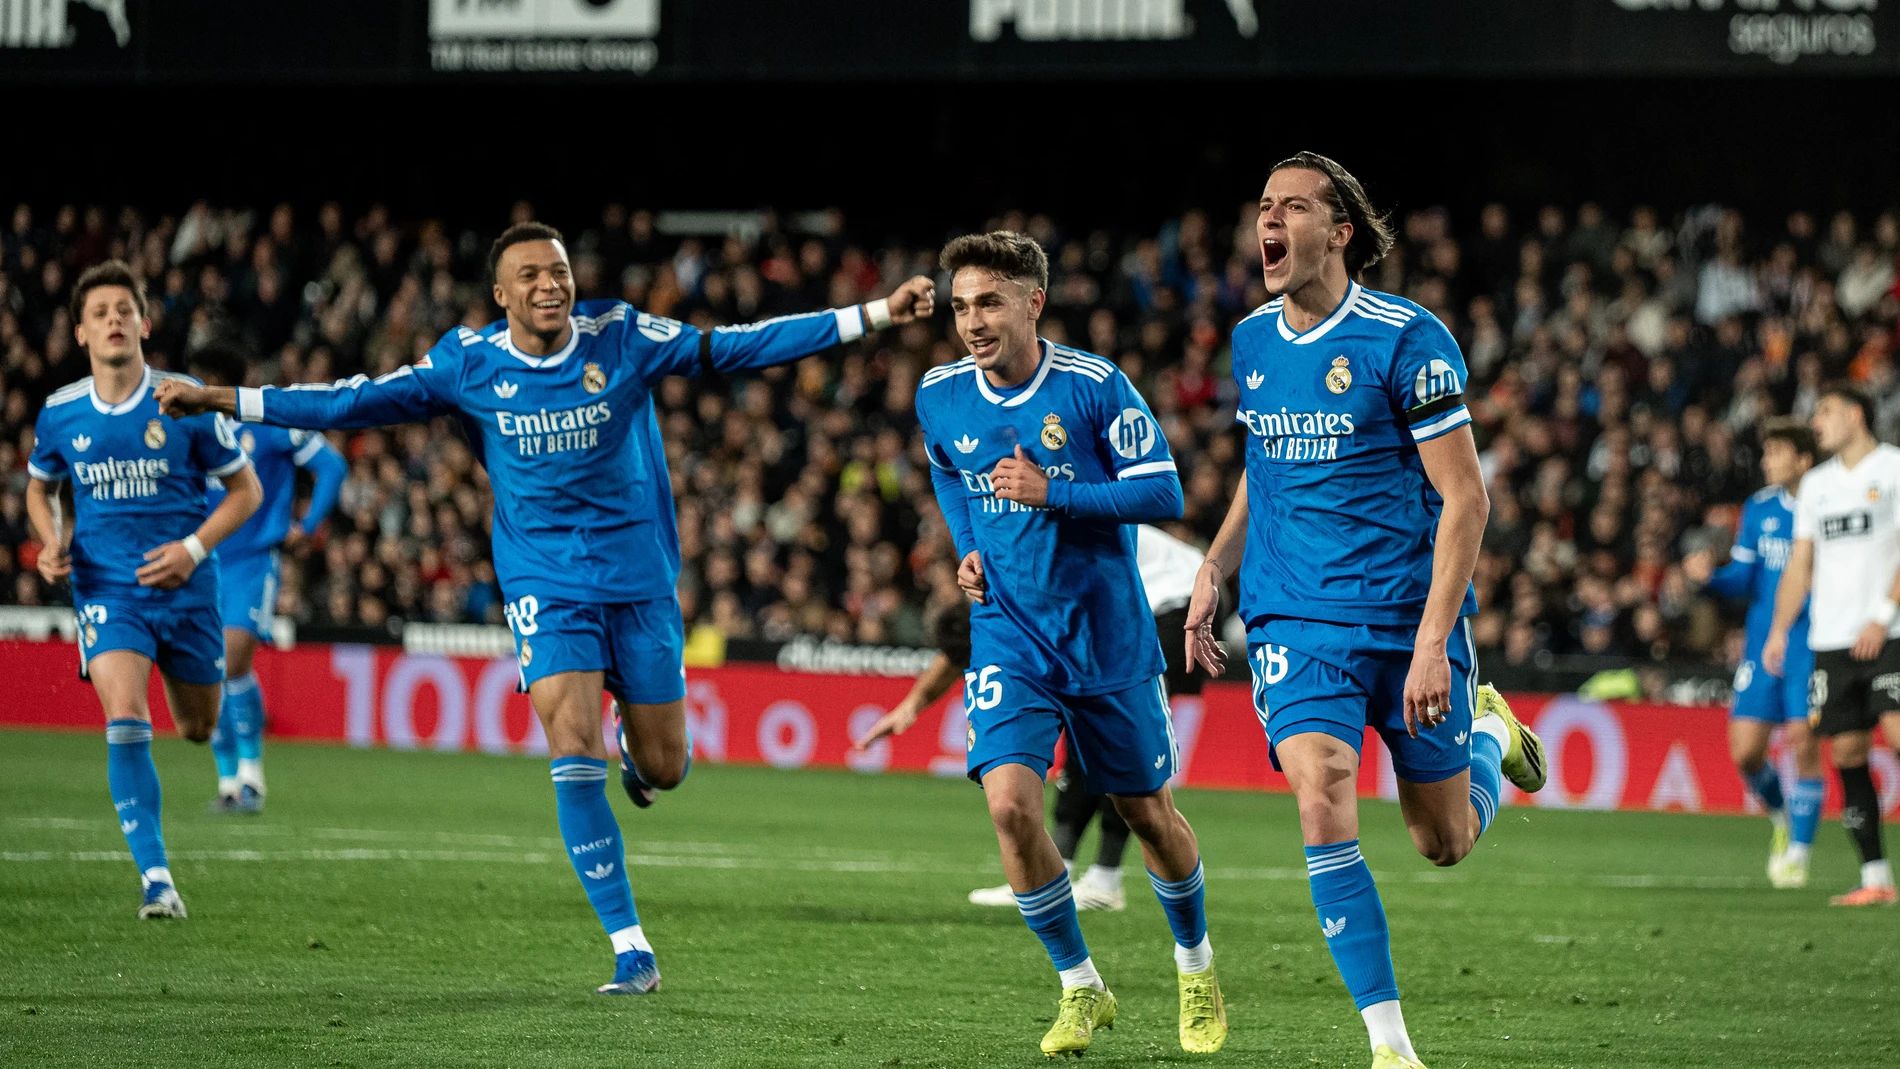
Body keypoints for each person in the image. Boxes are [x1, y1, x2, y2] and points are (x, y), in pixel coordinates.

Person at [158, 222, 934, 992]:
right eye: (530, 275)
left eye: (558, 271)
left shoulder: (621, 336)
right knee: (572, 742)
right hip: (545, 584)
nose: (550, 285)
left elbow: (736, 344)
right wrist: (226, 398)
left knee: (666, 766)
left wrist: (872, 314)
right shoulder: (468, 361)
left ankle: (643, 748)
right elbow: (352, 402)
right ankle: (631, 946)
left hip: (638, 578)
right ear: (501, 295)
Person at [1183, 153, 1545, 1069]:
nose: (1270, 220)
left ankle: (1490, 738)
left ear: (1339, 232)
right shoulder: (1253, 342)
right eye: (1263, 205)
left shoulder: (1406, 338)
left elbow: (1466, 501)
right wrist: (1216, 567)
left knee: (1444, 841)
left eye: (1293, 206)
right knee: (1324, 786)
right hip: (1295, 619)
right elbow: (1262, 470)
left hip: (1406, 619)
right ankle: (1391, 1047)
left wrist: (1434, 645)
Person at [899, 230, 1226, 1058]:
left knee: (1148, 814)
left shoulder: (1092, 386)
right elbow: (946, 466)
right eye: (962, 303)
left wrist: (1055, 491)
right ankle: (1082, 987)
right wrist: (969, 541)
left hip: (1107, 634)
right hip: (1009, 630)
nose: (972, 320)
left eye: (990, 302)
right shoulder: (940, 392)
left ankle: (1196, 965)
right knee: (1011, 806)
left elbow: (1164, 487)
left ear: (1033, 303)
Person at [25, 260, 262, 919]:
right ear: (80, 332)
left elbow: (248, 491)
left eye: (124, 310)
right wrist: (51, 539)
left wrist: (192, 549)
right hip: (108, 588)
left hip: (187, 590)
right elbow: (39, 487)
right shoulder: (60, 412)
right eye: (99, 313)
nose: (113, 321)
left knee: (197, 725)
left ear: (145, 324)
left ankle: (195, 720)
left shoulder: (182, 401)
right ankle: (157, 878)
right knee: (126, 715)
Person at [959, 523, 1209, 911]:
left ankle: (1101, 879)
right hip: (1156, 601)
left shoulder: (1046, 538)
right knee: (1089, 739)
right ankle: (1056, 870)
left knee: (1115, 745)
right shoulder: (1048, 527)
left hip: (1179, 604)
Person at [187, 340, 347, 814]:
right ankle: (228, 781)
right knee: (206, 669)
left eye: (201, 379)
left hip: (252, 560)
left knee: (233, 660)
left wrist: (309, 525)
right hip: (200, 559)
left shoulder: (269, 421)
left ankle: (252, 775)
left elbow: (332, 466)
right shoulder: (190, 428)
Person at [1764, 384, 1900, 907]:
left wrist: (1883, 616)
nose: (1815, 421)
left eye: (1825, 411)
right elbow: (1801, 563)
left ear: (1856, 414)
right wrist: (1780, 628)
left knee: (1895, 728)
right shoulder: (1817, 485)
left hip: (1888, 633)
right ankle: (1876, 877)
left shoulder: (1890, 468)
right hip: (1831, 639)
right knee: (1846, 750)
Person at [1683, 418, 1824, 887]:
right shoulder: (1759, 509)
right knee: (1745, 752)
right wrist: (1711, 576)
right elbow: (1744, 579)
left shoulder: (1827, 506)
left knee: (1804, 741)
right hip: (1765, 645)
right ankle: (1783, 818)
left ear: (1802, 459)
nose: (1767, 461)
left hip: (1814, 642)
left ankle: (1799, 854)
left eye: (1776, 452)